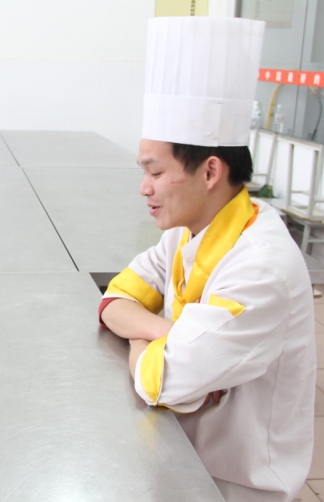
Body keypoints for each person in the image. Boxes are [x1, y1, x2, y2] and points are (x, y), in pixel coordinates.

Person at [99, 17, 316, 502]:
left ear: (211, 171)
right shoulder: (187, 232)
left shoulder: (261, 269)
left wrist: (150, 338)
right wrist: (166, 333)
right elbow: (115, 298)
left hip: (234, 486)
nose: (144, 188)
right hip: (181, 457)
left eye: (156, 172)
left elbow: (162, 380)